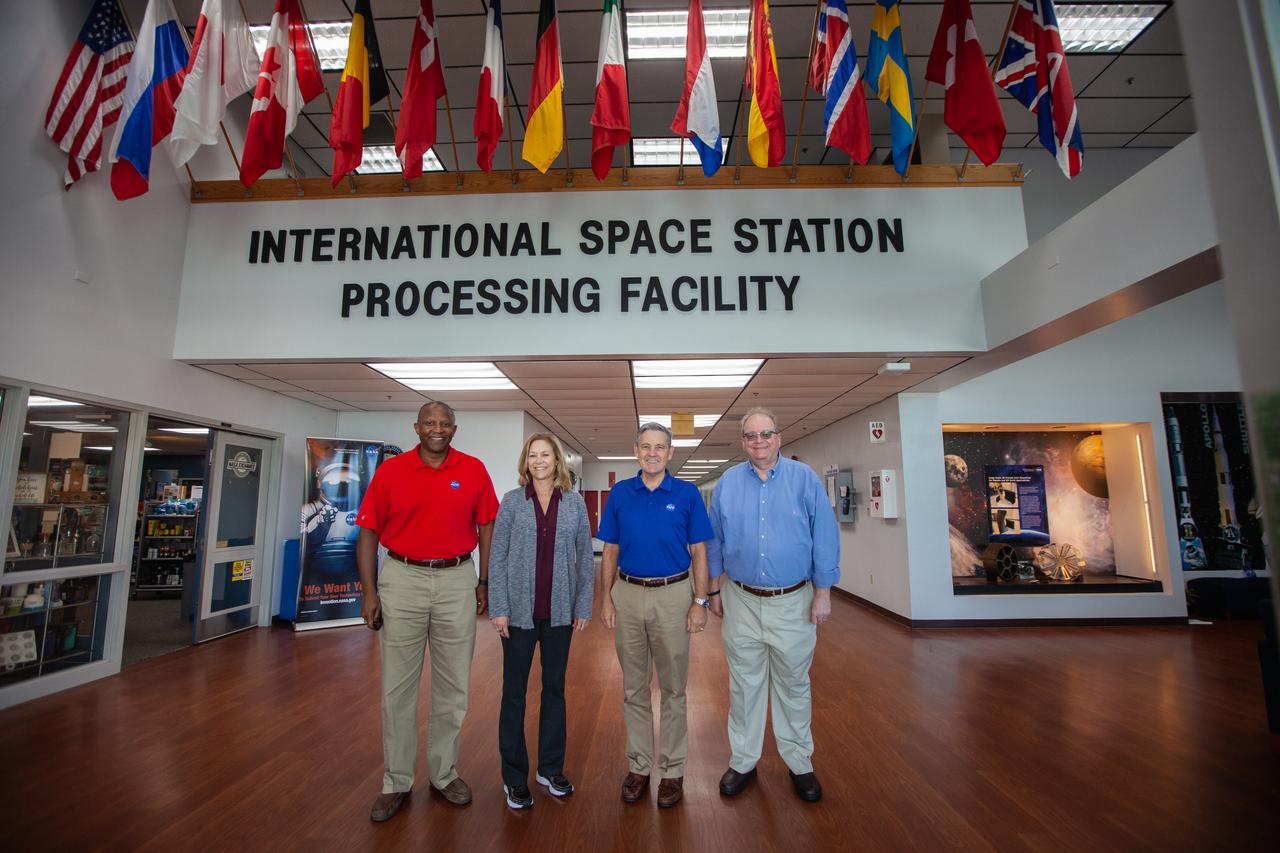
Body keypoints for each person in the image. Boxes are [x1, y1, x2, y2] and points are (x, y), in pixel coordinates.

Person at [356, 401, 499, 823]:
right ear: (417, 427)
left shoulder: (472, 469)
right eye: (430, 423)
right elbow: (367, 532)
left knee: (453, 684)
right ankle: (396, 781)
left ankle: (443, 774)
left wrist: (484, 581)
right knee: (397, 688)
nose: (437, 429)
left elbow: (486, 525)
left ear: (454, 428)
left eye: (445, 424)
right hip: (402, 578)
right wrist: (369, 592)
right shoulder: (391, 472)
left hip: (457, 577)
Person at [707, 406, 840, 803]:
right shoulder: (729, 482)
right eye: (751, 435)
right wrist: (714, 589)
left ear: (779, 438)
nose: (759, 441)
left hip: (793, 601)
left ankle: (800, 763)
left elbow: (825, 536)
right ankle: (744, 761)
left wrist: (824, 591)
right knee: (745, 686)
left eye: (766, 434)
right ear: (743, 442)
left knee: (793, 685)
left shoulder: (804, 480)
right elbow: (714, 538)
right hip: (741, 598)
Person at [598, 422, 714, 808]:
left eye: (659, 447)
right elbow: (610, 552)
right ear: (636, 451)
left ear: (670, 452)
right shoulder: (620, 493)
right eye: (645, 446)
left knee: (673, 688)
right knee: (634, 687)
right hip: (628, 594)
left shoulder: (686, 493)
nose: (652, 453)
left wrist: (700, 602)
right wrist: (607, 600)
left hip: (673, 595)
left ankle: (673, 770)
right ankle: (640, 766)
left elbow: (699, 551)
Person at [487, 432, 595, 810]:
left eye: (545, 455)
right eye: (532, 455)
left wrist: (583, 606)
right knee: (514, 695)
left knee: (554, 691)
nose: (538, 461)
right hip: (516, 615)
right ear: (525, 461)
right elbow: (497, 557)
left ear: (557, 461)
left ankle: (550, 768)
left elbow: (585, 558)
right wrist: (498, 607)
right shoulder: (512, 502)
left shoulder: (575, 505)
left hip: (559, 615)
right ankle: (514, 777)